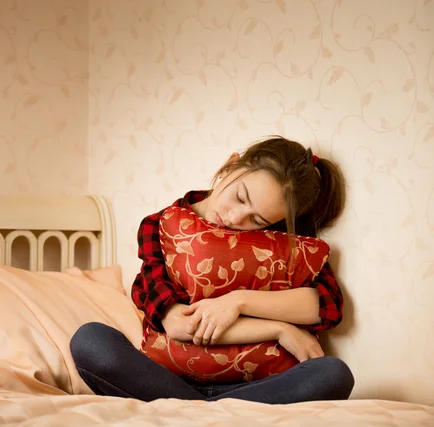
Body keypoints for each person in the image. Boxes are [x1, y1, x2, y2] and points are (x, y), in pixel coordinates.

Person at [70, 136, 354, 404]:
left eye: (256, 219)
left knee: (333, 373)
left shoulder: (279, 241)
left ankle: (193, 411)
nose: (234, 217)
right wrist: (279, 329)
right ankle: (216, 411)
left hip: (256, 386)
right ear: (231, 165)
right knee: (91, 341)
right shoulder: (160, 225)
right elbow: (179, 325)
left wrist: (236, 302)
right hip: (166, 380)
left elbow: (326, 306)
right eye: (240, 198)